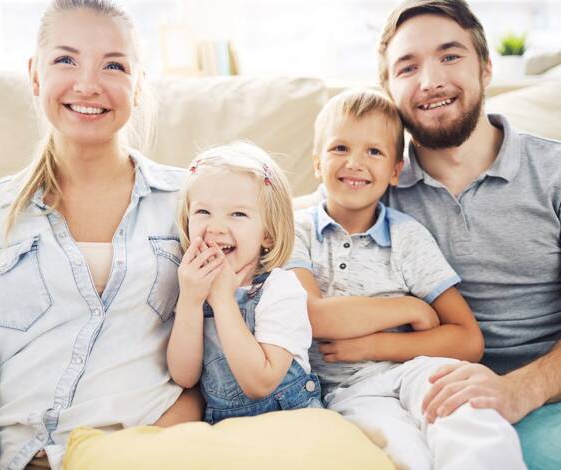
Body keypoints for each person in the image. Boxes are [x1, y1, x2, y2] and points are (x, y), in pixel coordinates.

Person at [0, 1, 203, 469]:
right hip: (22, 457)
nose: (87, 85)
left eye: (114, 66)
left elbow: (217, 364)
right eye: (66, 59)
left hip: (149, 453)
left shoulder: (189, 202)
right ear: (35, 75)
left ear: (139, 84)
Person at [298, 1, 561, 467]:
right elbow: (290, 217)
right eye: (408, 67)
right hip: (425, 390)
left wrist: (522, 390)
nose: (430, 80)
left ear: (486, 67)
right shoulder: (372, 189)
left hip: (543, 391)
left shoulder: (553, 174)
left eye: (450, 56)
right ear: (388, 89)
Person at [288, 88, 525, 469]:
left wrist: (372, 345)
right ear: (317, 163)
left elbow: (468, 340)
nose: (355, 163)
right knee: (400, 452)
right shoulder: (294, 232)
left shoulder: (408, 236)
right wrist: (409, 308)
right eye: (340, 148)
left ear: (396, 171)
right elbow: (314, 317)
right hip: (351, 391)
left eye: (374, 151)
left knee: (468, 413)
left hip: (417, 368)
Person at [167, 142, 323, 424]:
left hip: (290, 420)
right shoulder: (194, 287)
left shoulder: (280, 289)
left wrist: (222, 300)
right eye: (203, 212)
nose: (216, 227)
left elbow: (260, 383)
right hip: (224, 426)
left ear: (268, 234)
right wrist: (189, 300)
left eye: (237, 214)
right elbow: (185, 376)